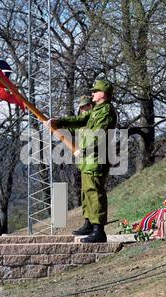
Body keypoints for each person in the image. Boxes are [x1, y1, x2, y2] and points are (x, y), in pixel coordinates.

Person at [46, 80, 117, 243]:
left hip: (97, 156)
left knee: (94, 192)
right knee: (86, 191)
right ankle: (90, 223)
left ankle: (99, 230)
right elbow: (81, 121)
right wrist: (60, 121)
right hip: (88, 158)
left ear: (103, 94)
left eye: (95, 91)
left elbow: (99, 134)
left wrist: (83, 150)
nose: (92, 94)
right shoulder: (96, 110)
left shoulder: (106, 111)